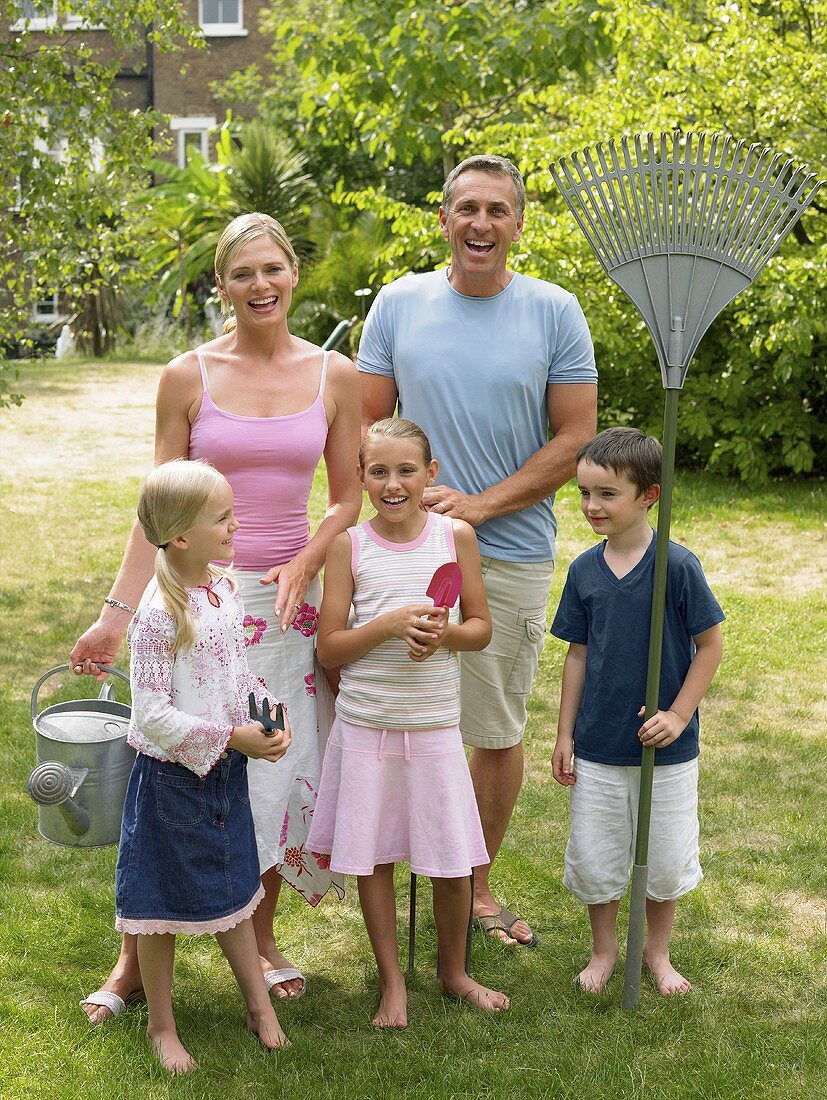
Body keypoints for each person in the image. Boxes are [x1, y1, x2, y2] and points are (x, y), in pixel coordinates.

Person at [71, 213, 362, 1020]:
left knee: (266, 773)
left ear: (293, 273)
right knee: (165, 771)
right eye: (242, 274)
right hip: (193, 601)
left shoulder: (335, 375)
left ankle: (260, 940)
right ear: (222, 285)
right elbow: (155, 509)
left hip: (284, 607)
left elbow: (346, 497)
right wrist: (115, 617)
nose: (260, 286)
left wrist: (309, 555)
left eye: (272, 269)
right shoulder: (185, 375)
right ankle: (132, 959)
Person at [358, 154, 598, 947]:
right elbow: (363, 433)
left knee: (492, 729)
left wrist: (479, 507)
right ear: (443, 220)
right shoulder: (398, 304)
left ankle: (478, 884)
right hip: (404, 551)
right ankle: (391, 870)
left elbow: (576, 437)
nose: (480, 224)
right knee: (396, 717)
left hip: (512, 553)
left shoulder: (554, 311)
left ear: (519, 223)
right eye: (466, 209)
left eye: (497, 210)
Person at [309, 418, 509, 1027]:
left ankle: (454, 973)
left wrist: (444, 634)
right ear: (361, 477)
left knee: (451, 861)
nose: (393, 484)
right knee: (374, 859)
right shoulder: (349, 546)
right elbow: (330, 648)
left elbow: (480, 629)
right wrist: (389, 626)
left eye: (406, 471)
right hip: (367, 728)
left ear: (431, 474)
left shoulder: (456, 537)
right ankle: (392, 982)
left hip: (432, 727)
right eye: (378, 472)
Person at [110, 460, 292, 1073]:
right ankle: (162, 1024)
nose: (235, 525)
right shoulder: (158, 615)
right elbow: (152, 715)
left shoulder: (225, 588)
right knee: (157, 907)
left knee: (235, 885)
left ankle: (257, 1004)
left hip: (224, 777)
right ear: (182, 535)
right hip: (169, 784)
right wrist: (229, 737)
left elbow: (235, 673)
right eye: (224, 517)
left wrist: (266, 711)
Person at [550, 427, 724, 995]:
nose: (591, 506)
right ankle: (604, 952)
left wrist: (677, 714)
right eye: (584, 494)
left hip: (665, 749)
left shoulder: (677, 565)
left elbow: (710, 645)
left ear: (648, 495)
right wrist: (564, 735)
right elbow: (577, 654)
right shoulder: (582, 571)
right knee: (598, 857)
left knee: (665, 857)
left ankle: (657, 953)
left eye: (606, 494)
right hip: (599, 742)